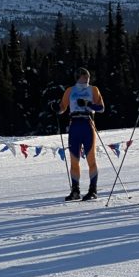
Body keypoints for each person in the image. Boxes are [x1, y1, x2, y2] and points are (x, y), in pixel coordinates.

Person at [58, 67, 105, 201]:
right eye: (85, 76)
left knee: (91, 159)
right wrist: (57, 108)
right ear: (78, 76)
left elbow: (101, 108)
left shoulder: (93, 89)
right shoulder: (70, 90)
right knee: (74, 160)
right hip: (74, 125)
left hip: (87, 123)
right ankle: (75, 190)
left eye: (88, 76)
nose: (87, 78)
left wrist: (87, 104)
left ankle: (93, 190)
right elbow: (62, 107)